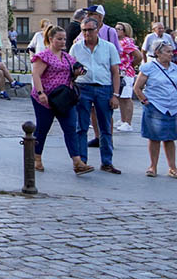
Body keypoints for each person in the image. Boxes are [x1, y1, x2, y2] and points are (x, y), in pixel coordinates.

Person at [29, 26, 95, 175]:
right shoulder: (44, 56)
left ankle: (77, 161)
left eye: (64, 39)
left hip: (63, 99)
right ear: (51, 39)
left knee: (70, 127)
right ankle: (37, 157)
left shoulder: (67, 57)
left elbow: (72, 74)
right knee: (43, 128)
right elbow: (36, 74)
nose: (62, 41)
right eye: (59, 39)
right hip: (45, 98)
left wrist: (77, 72)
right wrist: (41, 93)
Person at [70, 16, 122, 174]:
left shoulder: (108, 47)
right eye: (84, 30)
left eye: (90, 30)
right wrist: (75, 74)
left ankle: (107, 162)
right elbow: (70, 71)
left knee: (105, 127)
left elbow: (115, 72)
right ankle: (82, 162)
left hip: (103, 88)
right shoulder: (76, 48)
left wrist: (115, 95)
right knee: (81, 127)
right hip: (83, 87)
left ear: (98, 29)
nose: (87, 33)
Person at [133, 42, 177, 178]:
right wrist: (145, 101)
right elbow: (137, 87)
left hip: (172, 108)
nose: (171, 54)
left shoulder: (175, 68)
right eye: (168, 52)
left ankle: (172, 167)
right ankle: (153, 166)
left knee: (170, 139)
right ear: (158, 53)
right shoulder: (148, 67)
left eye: (172, 52)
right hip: (156, 106)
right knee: (154, 138)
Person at [115, 22, 143, 132]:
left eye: (119, 29)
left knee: (126, 98)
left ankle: (128, 122)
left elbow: (138, 56)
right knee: (122, 97)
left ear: (125, 31)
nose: (116, 30)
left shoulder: (126, 42)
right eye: (116, 28)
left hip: (126, 72)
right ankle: (123, 120)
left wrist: (130, 65)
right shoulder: (118, 42)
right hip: (119, 72)